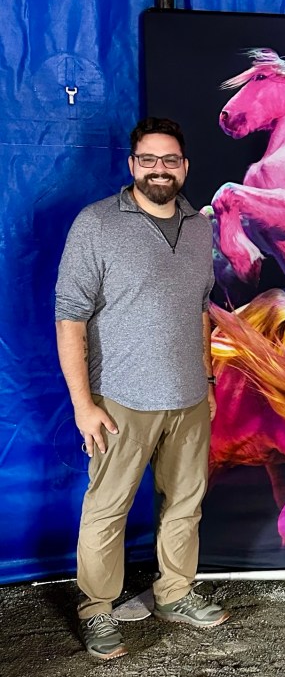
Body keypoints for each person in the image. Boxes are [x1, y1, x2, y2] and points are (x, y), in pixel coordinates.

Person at [55, 117, 229, 661]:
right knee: (107, 508)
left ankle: (175, 592)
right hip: (119, 400)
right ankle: (96, 608)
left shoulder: (199, 227)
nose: (160, 169)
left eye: (170, 160)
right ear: (132, 165)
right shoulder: (97, 224)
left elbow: (200, 311)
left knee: (185, 503)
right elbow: (69, 317)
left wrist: (207, 379)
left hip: (188, 397)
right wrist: (83, 405)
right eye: (148, 159)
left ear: (185, 167)